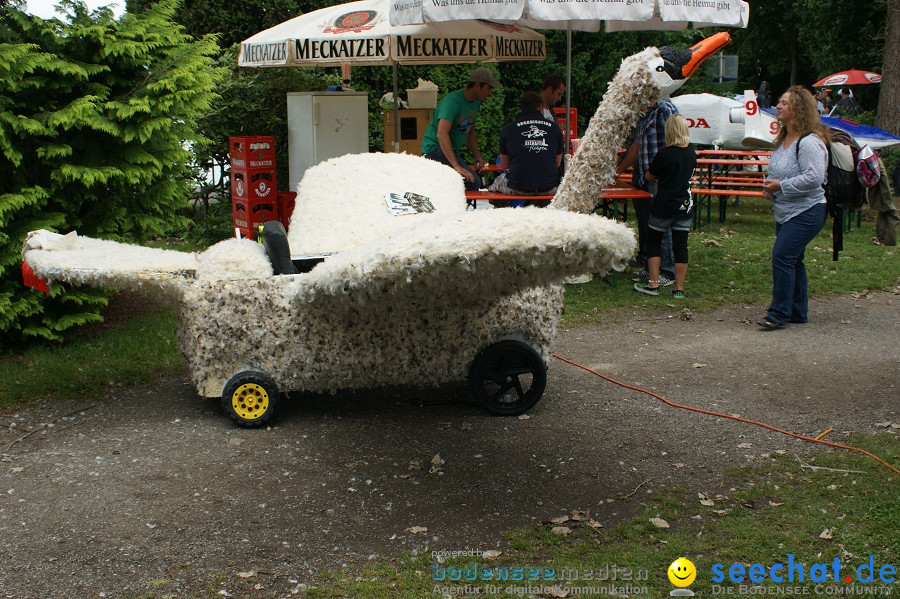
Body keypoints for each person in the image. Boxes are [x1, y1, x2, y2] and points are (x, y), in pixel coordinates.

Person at [758, 86, 830, 330]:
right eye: (779, 102)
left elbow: (815, 177)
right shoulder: (782, 140)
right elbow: (780, 172)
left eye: (785, 103)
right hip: (786, 211)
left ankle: (778, 314)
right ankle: (797, 312)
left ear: (798, 109)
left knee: (782, 256)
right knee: (793, 260)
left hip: (808, 211)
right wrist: (771, 186)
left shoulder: (809, 142)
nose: (779, 106)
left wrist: (782, 186)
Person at [616, 99, 679, 286]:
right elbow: (637, 145)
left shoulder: (665, 110)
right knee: (646, 222)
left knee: (662, 223)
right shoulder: (644, 113)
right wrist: (619, 170)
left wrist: (668, 172)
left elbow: (675, 142)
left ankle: (668, 269)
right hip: (643, 175)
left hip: (660, 177)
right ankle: (648, 260)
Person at [633, 115, 697, 298]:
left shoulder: (664, 154)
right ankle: (679, 287)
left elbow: (649, 177)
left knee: (653, 241)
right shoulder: (691, 154)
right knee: (680, 246)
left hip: (664, 204)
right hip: (684, 205)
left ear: (670, 131)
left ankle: (653, 283)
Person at [421, 67, 500, 191]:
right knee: (473, 182)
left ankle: (443, 198)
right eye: (488, 88)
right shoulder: (452, 101)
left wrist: (477, 157)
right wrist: (456, 166)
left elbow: (471, 132)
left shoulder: (475, 103)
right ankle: (445, 202)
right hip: (434, 150)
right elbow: (441, 134)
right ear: (478, 85)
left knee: (472, 181)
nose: (490, 93)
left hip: (447, 151)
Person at [488, 92, 564, 199]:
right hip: (549, 187)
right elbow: (557, 163)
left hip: (517, 188)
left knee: (494, 184)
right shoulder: (554, 128)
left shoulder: (508, 129)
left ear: (522, 107)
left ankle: (502, 213)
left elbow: (504, 166)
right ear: (540, 107)